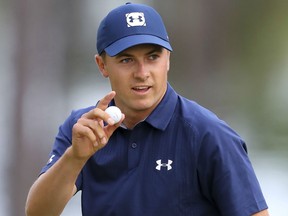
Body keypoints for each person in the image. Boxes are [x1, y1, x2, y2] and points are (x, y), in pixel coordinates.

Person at [25, 3, 269, 216]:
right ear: (102, 65)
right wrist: (75, 157)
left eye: (153, 57)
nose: (142, 73)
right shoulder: (83, 128)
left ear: (168, 60)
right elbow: (38, 212)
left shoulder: (209, 135)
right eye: (126, 60)